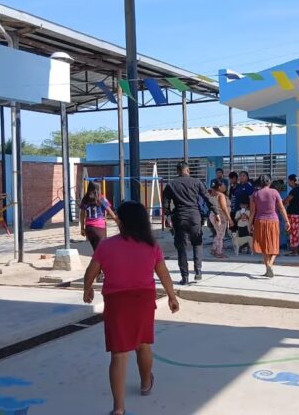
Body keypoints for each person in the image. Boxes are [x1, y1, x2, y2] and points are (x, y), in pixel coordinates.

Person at [82, 201, 179, 415]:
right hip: (143, 300)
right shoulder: (152, 245)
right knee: (143, 344)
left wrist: (87, 289)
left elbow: (91, 270)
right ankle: (146, 383)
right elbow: (163, 273)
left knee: (118, 355)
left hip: (117, 302)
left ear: (122, 221)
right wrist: (172, 296)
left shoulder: (106, 245)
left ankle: (118, 408)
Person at [163, 161, 220, 285]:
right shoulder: (197, 182)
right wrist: (216, 213)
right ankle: (198, 272)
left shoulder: (171, 185)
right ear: (188, 170)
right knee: (197, 244)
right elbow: (207, 198)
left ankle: (185, 277)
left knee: (181, 248)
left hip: (179, 218)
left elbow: (166, 204)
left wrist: (167, 218)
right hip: (195, 217)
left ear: (177, 171)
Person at [250, 174, 291, 278]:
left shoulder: (255, 194)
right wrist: (287, 221)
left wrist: (249, 224)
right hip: (273, 221)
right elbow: (281, 208)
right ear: (269, 182)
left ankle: (267, 268)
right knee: (274, 245)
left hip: (259, 221)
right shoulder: (274, 192)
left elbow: (252, 212)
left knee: (263, 246)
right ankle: (270, 265)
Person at [79, 181, 119, 252]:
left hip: (89, 228)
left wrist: (82, 228)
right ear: (98, 189)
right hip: (99, 228)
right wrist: (117, 221)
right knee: (101, 251)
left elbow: (82, 214)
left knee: (96, 250)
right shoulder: (101, 198)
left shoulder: (85, 199)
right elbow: (109, 211)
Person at [209, 180, 232, 258]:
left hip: (213, 215)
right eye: (223, 185)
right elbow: (224, 208)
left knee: (218, 233)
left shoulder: (211, 194)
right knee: (221, 235)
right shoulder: (220, 195)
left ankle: (213, 249)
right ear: (219, 187)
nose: (225, 186)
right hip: (220, 217)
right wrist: (229, 219)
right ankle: (219, 252)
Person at [283, 174, 299, 256]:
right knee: (297, 232)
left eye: (289, 180)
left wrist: (282, 202)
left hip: (293, 214)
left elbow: (286, 201)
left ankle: (294, 251)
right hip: (298, 214)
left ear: (293, 181)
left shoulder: (294, 191)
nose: (288, 182)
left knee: (293, 232)